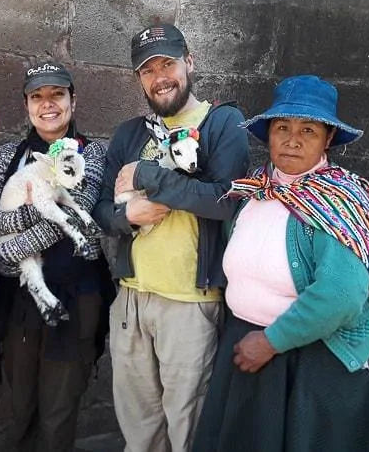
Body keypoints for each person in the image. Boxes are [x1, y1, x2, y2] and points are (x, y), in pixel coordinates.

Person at [191, 75, 369, 451]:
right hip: (252, 353)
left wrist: (271, 341)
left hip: (312, 365)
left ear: (327, 139)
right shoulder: (256, 191)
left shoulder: (339, 204)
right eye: (282, 127)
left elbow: (341, 295)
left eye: (308, 130)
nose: (292, 139)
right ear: (269, 135)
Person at [93, 23, 250, 452]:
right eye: (148, 69)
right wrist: (131, 215)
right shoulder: (130, 134)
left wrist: (150, 177)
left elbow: (225, 199)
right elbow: (101, 211)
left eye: (168, 63)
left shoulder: (223, 122)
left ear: (189, 62)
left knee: (188, 425)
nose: (160, 76)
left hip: (189, 304)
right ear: (138, 80)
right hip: (130, 300)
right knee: (138, 428)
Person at [0, 61, 114, 452]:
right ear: (27, 105)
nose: (47, 105)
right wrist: (31, 213)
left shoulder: (92, 154)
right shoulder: (9, 156)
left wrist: (10, 252)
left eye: (57, 95)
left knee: (58, 415)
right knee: (18, 410)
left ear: (72, 100)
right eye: (37, 97)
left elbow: (74, 213)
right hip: (20, 304)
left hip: (76, 297)